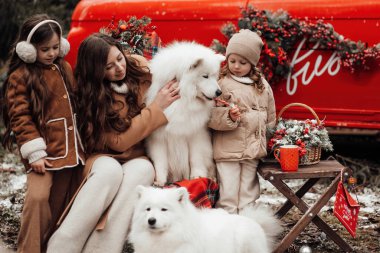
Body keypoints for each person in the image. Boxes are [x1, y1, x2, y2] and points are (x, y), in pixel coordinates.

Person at [47, 33, 180, 253]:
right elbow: (117, 142)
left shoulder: (139, 69)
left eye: (119, 58)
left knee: (144, 169)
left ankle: (102, 249)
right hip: (102, 156)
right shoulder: (90, 95)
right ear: (96, 71)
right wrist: (156, 107)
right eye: (109, 66)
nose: (119, 68)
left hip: (136, 156)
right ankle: (63, 245)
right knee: (109, 171)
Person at [0, 14, 85, 253]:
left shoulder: (64, 67)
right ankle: (29, 248)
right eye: (44, 48)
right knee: (38, 199)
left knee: (59, 204)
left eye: (55, 47)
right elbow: (20, 116)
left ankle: (49, 246)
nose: (50, 53)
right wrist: (35, 152)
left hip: (69, 151)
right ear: (27, 49)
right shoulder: (21, 76)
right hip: (43, 153)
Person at [208, 29, 276, 215]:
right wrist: (229, 117)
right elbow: (209, 115)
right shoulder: (221, 83)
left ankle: (247, 226)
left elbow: (270, 114)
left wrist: (269, 136)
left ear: (252, 63)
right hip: (227, 150)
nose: (236, 66)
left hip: (252, 151)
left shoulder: (261, 84)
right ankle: (227, 228)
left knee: (248, 194)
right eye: (232, 61)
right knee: (228, 194)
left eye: (242, 62)